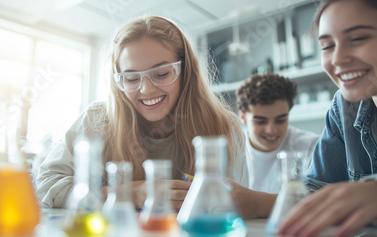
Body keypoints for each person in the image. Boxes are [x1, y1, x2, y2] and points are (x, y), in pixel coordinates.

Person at [37, 16, 248, 211]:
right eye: (131, 78)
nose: (146, 89)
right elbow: (46, 185)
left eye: (162, 73)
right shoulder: (97, 120)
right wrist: (129, 193)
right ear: (118, 80)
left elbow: (236, 204)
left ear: (186, 71)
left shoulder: (223, 129)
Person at [278, 0, 377, 237]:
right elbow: (318, 191)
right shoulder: (345, 107)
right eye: (327, 45)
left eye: (358, 39)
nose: (338, 59)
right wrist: (251, 202)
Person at [236, 73, 319, 193]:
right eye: (260, 121)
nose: (271, 130)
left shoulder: (312, 148)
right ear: (243, 117)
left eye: (281, 120)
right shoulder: (231, 150)